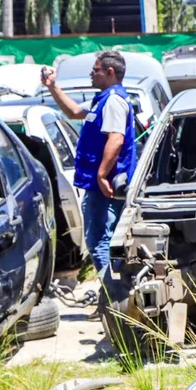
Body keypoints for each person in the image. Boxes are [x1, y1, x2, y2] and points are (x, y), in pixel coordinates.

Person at [42, 50, 138, 291]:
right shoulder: (103, 99)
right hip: (102, 184)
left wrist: (102, 174)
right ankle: (117, 296)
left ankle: (115, 299)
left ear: (110, 72)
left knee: (98, 243)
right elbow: (73, 112)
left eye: (95, 70)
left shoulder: (114, 101)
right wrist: (53, 87)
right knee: (107, 241)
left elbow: (115, 140)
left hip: (105, 185)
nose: (91, 74)